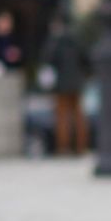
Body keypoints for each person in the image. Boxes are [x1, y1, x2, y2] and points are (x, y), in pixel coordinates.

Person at [40, 12, 90, 154]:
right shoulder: (77, 39)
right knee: (79, 116)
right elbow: (86, 59)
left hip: (61, 84)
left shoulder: (55, 41)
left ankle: (64, 147)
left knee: (62, 117)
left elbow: (47, 60)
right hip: (77, 83)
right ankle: (81, 146)